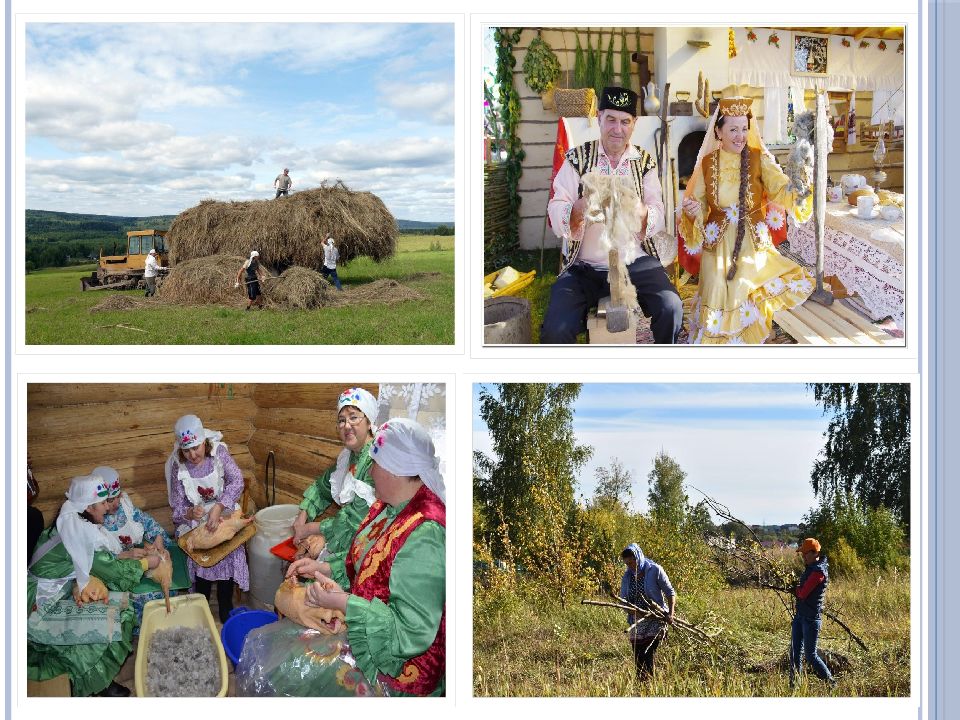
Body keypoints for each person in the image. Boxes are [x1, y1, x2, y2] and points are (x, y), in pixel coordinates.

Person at [285, 417, 446, 696]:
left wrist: (344, 602)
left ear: (395, 470)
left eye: (375, 464)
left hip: (399, 667)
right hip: (367, 626)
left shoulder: (425, 535)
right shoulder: (387, 508)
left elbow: (410, 634)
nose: (369, 473)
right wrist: (321, 567)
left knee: (299, 671)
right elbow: (367, 566)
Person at [544, 85, 683, 344]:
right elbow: (555, 207)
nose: (617, 129)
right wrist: (580, 208)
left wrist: (640, 211)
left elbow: (658, 212)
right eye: (611, 120)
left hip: (635, 262)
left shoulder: (644, 162)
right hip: (585, 268)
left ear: (634, 124)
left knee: (671, 307)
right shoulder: (577, 158)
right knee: (555, 328)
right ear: (599, 118)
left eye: (624, 121)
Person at [679, 96, 815, 344]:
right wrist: (691, 210)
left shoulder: (758, 158)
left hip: (752, 242)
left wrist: (799, 186)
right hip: (717, 243)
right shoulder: (708, 164)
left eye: (744, 128)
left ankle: (750, 340)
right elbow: (698, 205)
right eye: (733, 129)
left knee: (744, 285)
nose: (740, 135)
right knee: (716, 287)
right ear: (718, 131)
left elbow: (780, 190)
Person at [27, 474, 164, 697]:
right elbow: (114, 572)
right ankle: (91, 683)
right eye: (103, 503)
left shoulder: (72, 520)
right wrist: (147, 562)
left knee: (108, 604)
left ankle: (99, 676)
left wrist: (126, 554)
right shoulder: (80, 532)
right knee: (117, 612)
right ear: (90, 507)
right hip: (38, 603)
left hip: (58, 588)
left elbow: (98, 561)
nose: (107, 508)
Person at [166, 414, 250, 624]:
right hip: (197, 519)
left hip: (224, 509)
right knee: (200, 551)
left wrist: (219, 506)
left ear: (204, 441)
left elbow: (237, 481)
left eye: (196, 447)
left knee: (230, 546)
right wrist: (188, 513)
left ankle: (225, 603)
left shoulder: (219, 453)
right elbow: (177, 507)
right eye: (186, 450)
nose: (192, 455)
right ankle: (201, 601)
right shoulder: (179, 466)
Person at [292, 387, 377, 558]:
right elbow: (322, 487)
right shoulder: (348, 457)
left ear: (369, 422)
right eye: (341, 420)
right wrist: (302, 516)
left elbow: (358, 522)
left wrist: (312, 529)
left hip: (368, 549)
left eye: (353, 417)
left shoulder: (375, 461)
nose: (346, 426)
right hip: (347, 538)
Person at [96, 465, 174, 625]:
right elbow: (98, 560)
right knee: (136, 598)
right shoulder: (95, 520)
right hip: (116, 570)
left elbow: (148, 522)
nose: (116, 503)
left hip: (138, 559)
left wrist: (158, 538)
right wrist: (126, 555)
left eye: (117, 496)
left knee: (166, 586)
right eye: (110, 500)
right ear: (98, 501)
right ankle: (142, 626)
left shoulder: (126, 508)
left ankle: (162, 620)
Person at [620, 543, 676, 680]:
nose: (630, 566)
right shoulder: (627, 577)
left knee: (648, 651)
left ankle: (651, 684)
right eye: (627, 563)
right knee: (638, 656)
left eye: (632, 561)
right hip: (637, 620)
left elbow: (670, 593)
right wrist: (634, 612)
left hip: (656, 618)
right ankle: (641, 685)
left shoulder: (655, 570)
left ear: (638, 557)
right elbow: (623, 601)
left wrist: (671, 614)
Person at [790, 537, 836, 688]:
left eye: (805, 554)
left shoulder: (818, 572)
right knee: (795, 653)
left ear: (815, 553)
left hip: (810, 619)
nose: (803, 556)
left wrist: (794, 589)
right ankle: (794, 686)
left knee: (811, 656)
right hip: (800, 616)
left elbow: (803, 594)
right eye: (802, 554)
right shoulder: (811, 568)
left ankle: (832, 684)